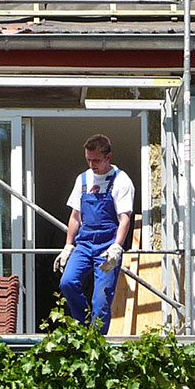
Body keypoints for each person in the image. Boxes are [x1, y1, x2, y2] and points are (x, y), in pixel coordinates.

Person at [55, 134, 134, 334]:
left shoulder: (121, 181)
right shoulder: (83, 179)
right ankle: (83, 328)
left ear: (109, 157)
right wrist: (67, 246)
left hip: (107, 245)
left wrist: (117, 247)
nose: (92, 164)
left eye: (96, 160)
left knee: (101, 298)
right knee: (67, 282)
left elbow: (124, 218)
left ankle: (97, 341)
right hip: (84, 243)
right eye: (88, 159)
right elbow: (75, 216)